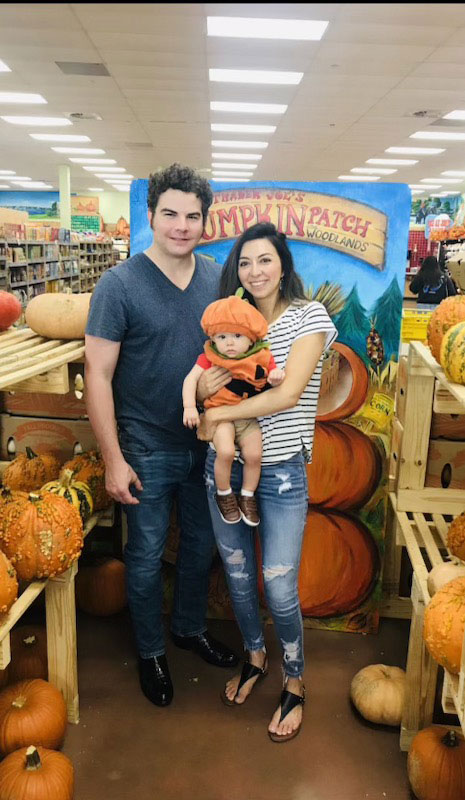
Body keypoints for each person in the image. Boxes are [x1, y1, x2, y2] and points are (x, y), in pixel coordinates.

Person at [84, 163, 239, 709]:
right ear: (151, 216)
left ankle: (188, 628)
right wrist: (113, 458)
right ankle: (150, 650)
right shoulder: (118, 285)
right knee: (147, 554)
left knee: (200, 547)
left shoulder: (217, 279)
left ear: (204, 222)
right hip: (143, 445)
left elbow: (236, 347)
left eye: (192, 216)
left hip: (205, 442)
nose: (181, 225)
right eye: (170, 213)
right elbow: (97, 377)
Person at [197, 222, 337, 743]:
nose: (255, 271)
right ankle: (255, 656)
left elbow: (287, 394)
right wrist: (203, 398)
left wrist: (216, 420)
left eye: (265, 260)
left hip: (280, 475)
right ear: (236, 270)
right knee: (236, 575)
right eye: (245, 263)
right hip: (222, 469)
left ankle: (295, 681)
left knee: (277, 585)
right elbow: (207, 376)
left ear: (283, 265)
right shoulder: (230, 323)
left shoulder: (308, 317)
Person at [183, 293, 285, 527]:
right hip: (221, 418)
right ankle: (224, 493)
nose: (229, 343)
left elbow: (272, 376)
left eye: (237, 336)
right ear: (213, 338)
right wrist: (189, 406)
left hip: (247, 417)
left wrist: (277, 377)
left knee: (254, 455)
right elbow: (191, 380)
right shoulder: (210, 358)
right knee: (226, 452)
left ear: (251, 340)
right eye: (222, 336)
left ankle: (247, 496)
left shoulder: (260, 356)